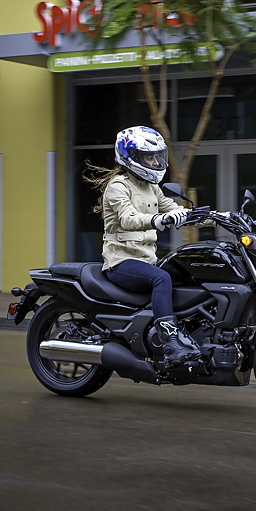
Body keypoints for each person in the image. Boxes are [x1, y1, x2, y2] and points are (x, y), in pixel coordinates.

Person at [85, 125, 201, 368]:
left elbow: (174, 209)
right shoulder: (118, 186)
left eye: (157, 156)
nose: (156, 162)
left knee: (190, 270)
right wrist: (158, 220)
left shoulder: (151, 187)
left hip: (147, 260)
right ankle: (170, 344)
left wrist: (215, 216)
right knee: (161, 279)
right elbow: (128, 219)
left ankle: (190, 330)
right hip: (121, 262)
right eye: (149, 157)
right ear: (131, 157)